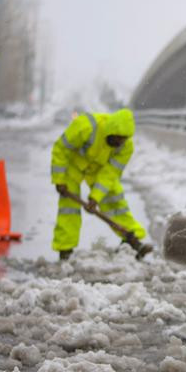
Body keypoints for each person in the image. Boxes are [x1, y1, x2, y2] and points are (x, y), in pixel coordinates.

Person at [51, 108, 146, 260]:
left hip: (98, 170)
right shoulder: (86, 126)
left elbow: (110, 173)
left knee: (114, 200)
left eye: (123, 139)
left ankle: (131, 239)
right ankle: (65, 249)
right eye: (117, 138)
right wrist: (59, 179)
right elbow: (61, 149)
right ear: (110, 131)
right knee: (69, 208)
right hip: (73, 166)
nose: (119, 143)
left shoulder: (126, 147)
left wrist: (95, 197)